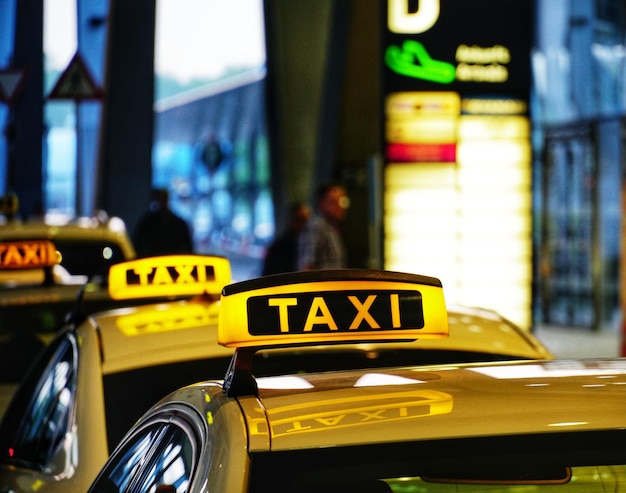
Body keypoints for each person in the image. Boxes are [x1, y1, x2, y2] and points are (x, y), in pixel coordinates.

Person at [298, 183, 349, 270]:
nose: (340, 206)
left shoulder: (330, 227)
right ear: (321, 203)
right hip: (323, 284)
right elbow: (306, 267)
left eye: (342, 201)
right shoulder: (316, 226)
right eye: (333, 202)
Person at [133, 188, 193, 257]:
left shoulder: (179, 223)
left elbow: (188, 247)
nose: (163, 201)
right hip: (153, 262)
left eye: (164, 198)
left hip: (171, 261)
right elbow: (138, 244)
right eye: (161, 198)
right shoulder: (147, 223)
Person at [261, 201, 311, 275]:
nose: (305, 224)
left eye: (308, 220)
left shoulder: (312, 244)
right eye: (299, 219)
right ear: (290, 221)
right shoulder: (279, 248)